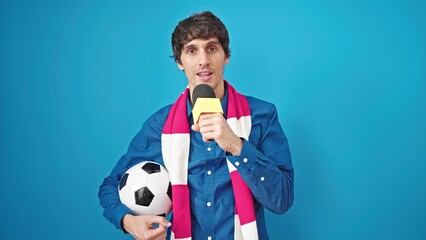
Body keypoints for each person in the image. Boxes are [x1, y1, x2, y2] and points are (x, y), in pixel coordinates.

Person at [98, 11, 294, 240]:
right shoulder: (159, 126)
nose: (203, 60)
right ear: (180, 62)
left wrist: (237, 147)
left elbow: (283, 200)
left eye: (211, 48)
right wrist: (129, 222)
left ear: (226, 55)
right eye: (192, 50)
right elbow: (110, 186)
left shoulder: (262, 116)